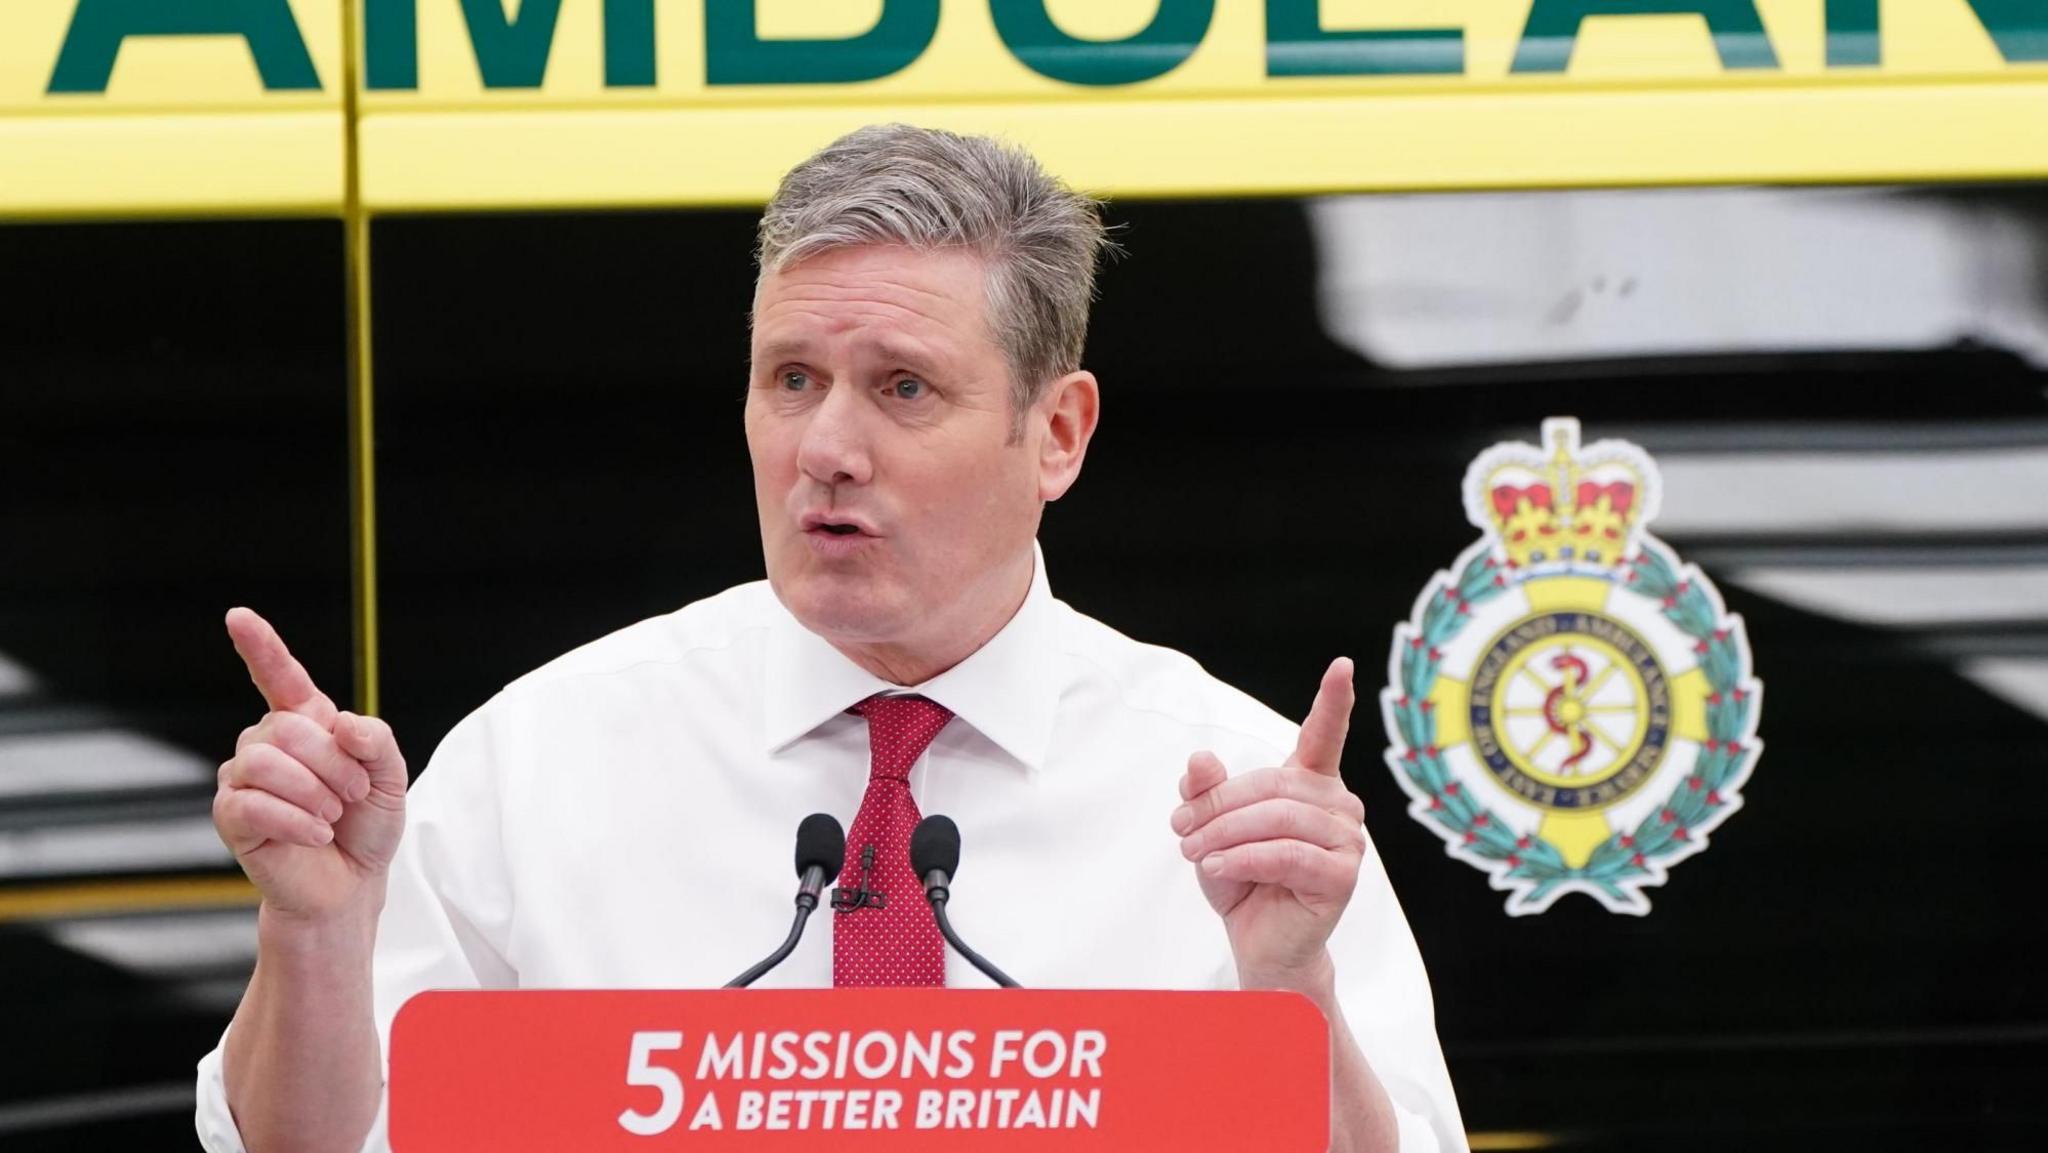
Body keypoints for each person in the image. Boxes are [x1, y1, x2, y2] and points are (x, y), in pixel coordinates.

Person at [195, 124, 1466, 1153]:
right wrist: (311, 932)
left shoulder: (1231, 789)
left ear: (1057, 434)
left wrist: (1291, 988)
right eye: (790, 379)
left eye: (902, 387)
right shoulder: (541, 760)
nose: (824, 449)